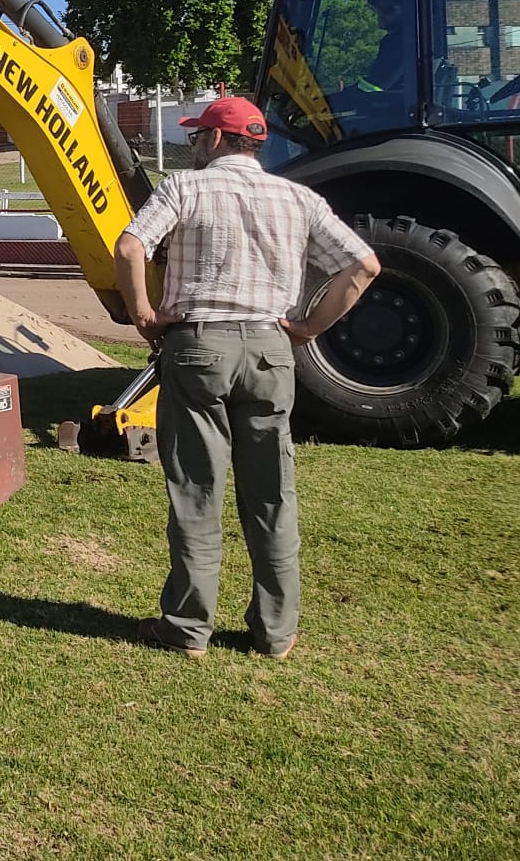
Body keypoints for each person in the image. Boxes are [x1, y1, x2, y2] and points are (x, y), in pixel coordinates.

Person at [113, 95, 380, 660]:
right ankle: (275, 631)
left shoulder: (185, 188)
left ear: (215, 139)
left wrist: (144, 316)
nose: (194, 145)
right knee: (272, 493)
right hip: (269, 348)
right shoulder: (299, 199)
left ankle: (187, 627)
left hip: (198, 346)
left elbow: (130, 246)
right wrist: (307, 327)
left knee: (196, 490)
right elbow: (363, 265)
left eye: (197, 136)